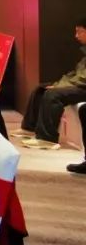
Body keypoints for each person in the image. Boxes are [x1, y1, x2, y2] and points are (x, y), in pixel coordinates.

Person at [19, 19, 86, 151]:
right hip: (79, 85)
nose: (76, 36)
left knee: (52, 95)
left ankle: (47, 139)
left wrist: (59, 87)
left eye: (80, 32)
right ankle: (29, 128)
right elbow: (74, 74)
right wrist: (58, 84)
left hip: (83, 87)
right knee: (40, 89)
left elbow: (83, 79)